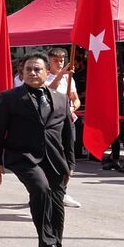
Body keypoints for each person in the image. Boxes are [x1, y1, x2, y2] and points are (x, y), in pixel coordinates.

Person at [0, 53, 76, 247]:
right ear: (22, 73)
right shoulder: (10, 98)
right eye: (28, 69)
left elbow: (68, 134)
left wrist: (70, 163)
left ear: (48, 73)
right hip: (23, 157)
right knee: (40, 190)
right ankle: (50, 245)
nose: (32, 73)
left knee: (57, 207)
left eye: (37, 69)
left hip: (55, 160)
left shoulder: (60, 99)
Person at [46, 48, 84, 207]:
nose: (59, 63)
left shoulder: (70, 80)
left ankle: (62, 191)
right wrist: (62, 74)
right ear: (49, 61)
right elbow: (50, 90)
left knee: (69, 158)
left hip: (68, 121)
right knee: (54, 158)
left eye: (61, 60)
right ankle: (48, 190)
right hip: (52, 123)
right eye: (56, 60)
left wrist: (72, 107)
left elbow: (75, 99)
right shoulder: (45, 76)